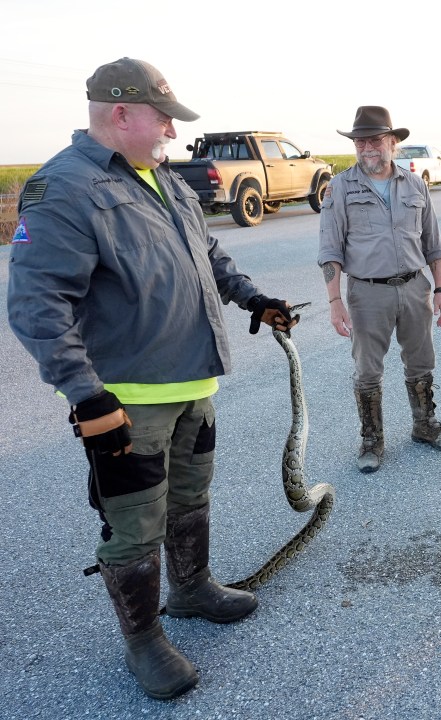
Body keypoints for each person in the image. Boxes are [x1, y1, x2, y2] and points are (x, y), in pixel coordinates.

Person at [7, 57, 298, 701]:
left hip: (194, 382)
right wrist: (87, 395)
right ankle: (143, 641)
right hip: (126, 399)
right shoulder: (65, 188)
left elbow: (209, 257)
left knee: (191, 497)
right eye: (161, 116)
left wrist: (253, 300)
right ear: (120, 113)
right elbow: (37, 304)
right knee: (135, 522)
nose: (171, 129)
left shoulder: (163, 177)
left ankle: (192, 590)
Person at [318, 106, 441, 473]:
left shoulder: (415, 184)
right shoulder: (341, 188)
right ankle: (371, 441)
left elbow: (434, 244)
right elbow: (330, 250)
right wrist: (335, 301)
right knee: (367, 370)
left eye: (375, 139)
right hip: (368, 293)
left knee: (421, 362)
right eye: (360, 141)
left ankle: (425, 426)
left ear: (392, 142)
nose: (367, 148)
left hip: (415, 289)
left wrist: (440, 289)